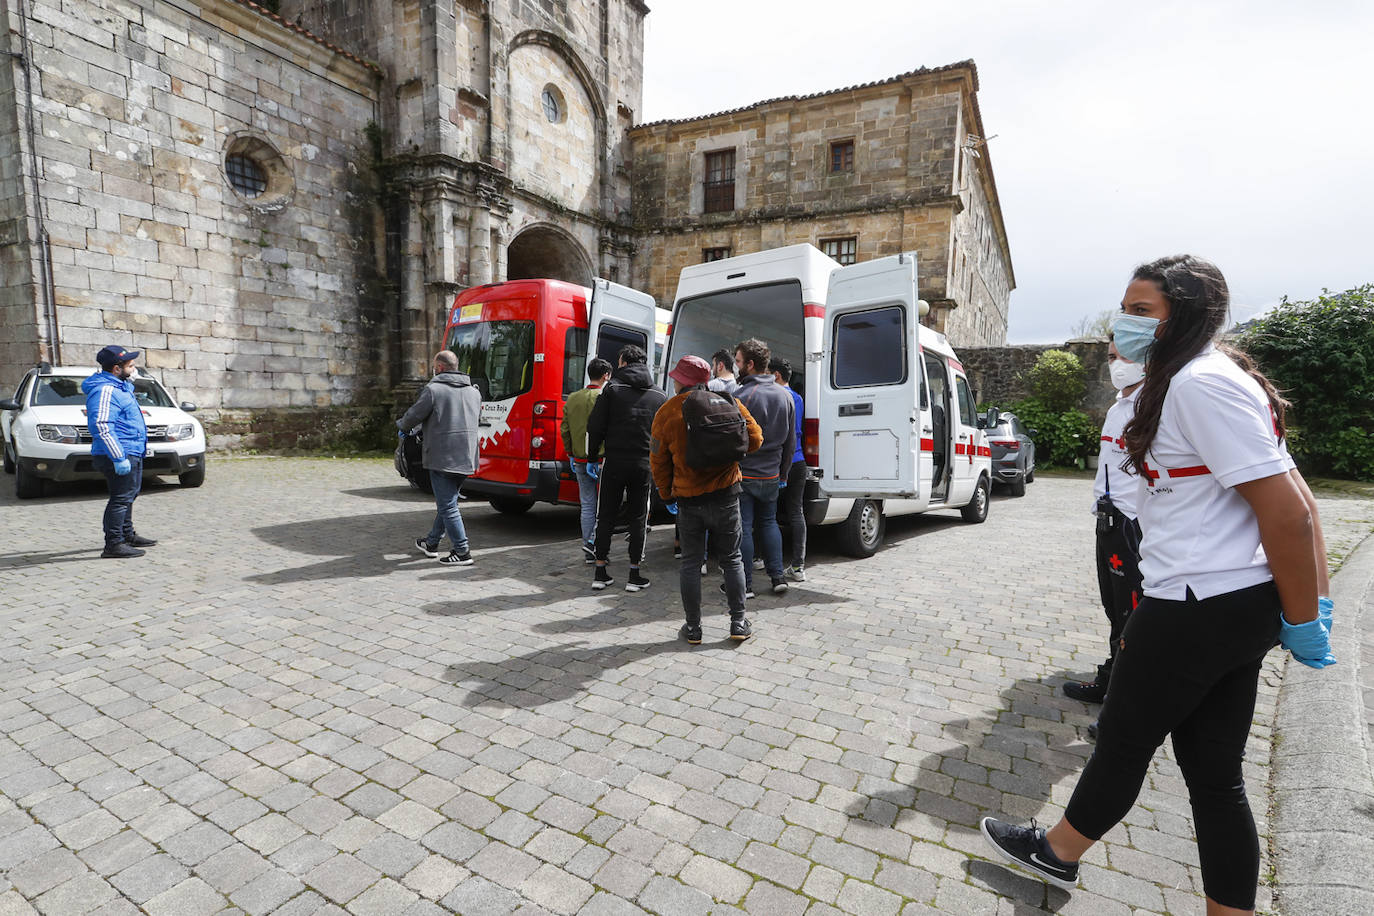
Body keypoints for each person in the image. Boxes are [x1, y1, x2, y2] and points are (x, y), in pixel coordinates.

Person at [980, 256, 1335, 916]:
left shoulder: (1200, 384)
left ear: (1186, 317)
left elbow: (1288, 510)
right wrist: (1301, 607)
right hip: (1227, 602)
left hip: (1196, 604)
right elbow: (1297, 497)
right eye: (1126, 309)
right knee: (1214, 777)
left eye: (1142, 311)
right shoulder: (1208, 380)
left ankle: (1056, 854)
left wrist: (1307, 610)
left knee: (1122, 741)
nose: (1124, 322)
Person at [650, 355, 762, 643]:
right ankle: (738, 623)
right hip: (727, 495)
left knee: (690, 563)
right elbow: (756, 438)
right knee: (732, 559)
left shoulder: (666, 413)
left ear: (681, 381)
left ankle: (693, 628)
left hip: (689, 501)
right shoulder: (728, 402)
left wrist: (666, 494)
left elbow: (658, 462)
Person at [1063, 340, 1145, 709]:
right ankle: (1115, 675)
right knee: (1115, 606)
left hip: (1133, 520)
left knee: (1133, 607)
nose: (1116, 364)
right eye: (1112, 357)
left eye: (1124, 355)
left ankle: (1123, 691)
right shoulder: (1119, 405)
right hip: (1109, 516)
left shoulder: (1152, 404)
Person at [586, 344, 668, 592]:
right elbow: (662, 436)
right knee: (638, 518)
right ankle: (634, 574)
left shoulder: (612, 389)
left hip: (614, 460)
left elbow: (595, 425)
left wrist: (592, 457)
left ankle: (600, 571)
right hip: (644, 464)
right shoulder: (660, 395)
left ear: (622, 362)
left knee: (606, 515)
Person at [399, 350, 481, 566]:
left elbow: (414, 416)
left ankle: (462, 551)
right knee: (448, 501)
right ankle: (432, 543)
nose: (433, 370)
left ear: (441, 368)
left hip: (442, 457)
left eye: (434, 366)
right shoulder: (474, 392)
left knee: (448, 506)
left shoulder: (433, 390)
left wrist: (402, 426)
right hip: (467, 456)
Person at [733, 338, 795, 596]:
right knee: (769, 523)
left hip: (745, 473)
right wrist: (784, 472)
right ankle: (777, 576)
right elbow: (791, 442)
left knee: (744, 527)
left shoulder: (740, 396)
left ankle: (745, 584)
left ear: (750, 364)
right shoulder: (786, 396)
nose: (735, 367)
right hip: (772, 473)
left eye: (737, 362)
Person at [84, 345, 155, 559]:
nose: (134, 369)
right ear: (116, 369)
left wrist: (128, 382)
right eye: (130, 366)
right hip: (118, 453)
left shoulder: (120, 386)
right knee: (120, 498)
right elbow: (101, 425)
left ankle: (127, 535)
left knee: (129, 495)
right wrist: (118, 457)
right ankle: (113, 544)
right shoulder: (105, 390)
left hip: (131, 450)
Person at [562, 357, 612, 563]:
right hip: (601, 460)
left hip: (579, 459)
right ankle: (595, 544)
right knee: (605, 506)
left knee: (588, 504)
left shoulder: (573, 398)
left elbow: (565, 429)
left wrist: (571, 453)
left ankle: (587, 547)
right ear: (606, 376)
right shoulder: (606, 397)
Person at [770, 356, 808, 582]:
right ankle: (798, 565)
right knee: (796, 512)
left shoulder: (776, 396)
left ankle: (762, 559)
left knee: (768, 514)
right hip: (799, 461)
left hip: (777, 462)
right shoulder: (798, 397)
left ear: (776, 375)